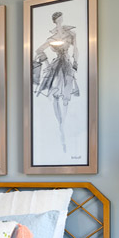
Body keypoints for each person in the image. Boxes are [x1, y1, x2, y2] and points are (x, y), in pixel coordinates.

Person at [32, 11, 79, 153]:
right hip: (56, 64)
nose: (60, 21)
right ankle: (60, 126)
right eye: (57, 19)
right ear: (55, 21)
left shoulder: (70, 34)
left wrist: (76, 62)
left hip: (67, 65)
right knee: (55, 96)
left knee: (66, 97)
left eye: (61, 19)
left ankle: (63, 126)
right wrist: (46, 63)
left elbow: (75, 48)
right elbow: (38, 50)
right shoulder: (52, 38)